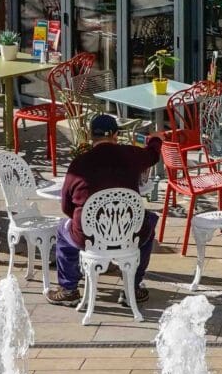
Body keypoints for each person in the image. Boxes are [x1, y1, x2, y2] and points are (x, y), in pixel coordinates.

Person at [47, 112, 162, 307]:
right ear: (116, 134)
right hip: (129, 233)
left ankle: (69, 289)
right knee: (149, 221)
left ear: (91, 136)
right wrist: (156, 140)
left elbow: (66, 206)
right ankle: (131, 288)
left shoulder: (79, 163)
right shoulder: (131, 154)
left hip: (88, 236)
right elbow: (152, 156)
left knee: (63, 229)